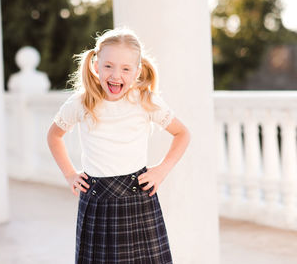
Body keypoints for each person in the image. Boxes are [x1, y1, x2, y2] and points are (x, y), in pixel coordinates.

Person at [46, 27, 191, 264]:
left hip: (138, 197)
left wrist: (161, 171)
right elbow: (54, 136)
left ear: (137, 71)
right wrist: (70, 174)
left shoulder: (146, 101)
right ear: (95, 65)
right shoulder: (80, 103)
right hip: (96, 198)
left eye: (125, 69)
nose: (116, 75)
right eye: (108, 66)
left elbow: (182, 133)